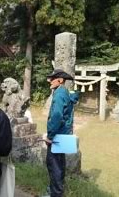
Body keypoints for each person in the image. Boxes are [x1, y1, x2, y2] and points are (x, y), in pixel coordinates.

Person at [44, 69, 78, 197]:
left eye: (52, 79)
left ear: (60, 80)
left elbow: (57, 116)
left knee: (54, 166)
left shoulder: (59, 94)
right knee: (60, 164)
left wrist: (50, 136)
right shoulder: (66, 92)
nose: (50, 82)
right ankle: (55, 191)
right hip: (64, 133)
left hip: (57, 136)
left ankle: (55, 193)